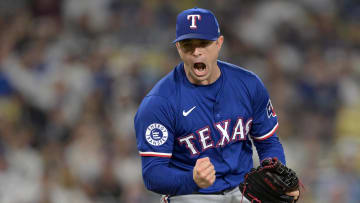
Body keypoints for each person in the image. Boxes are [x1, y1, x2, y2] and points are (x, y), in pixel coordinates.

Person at [134, 7, 300, 203]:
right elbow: (153, 174)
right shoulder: (159, 103)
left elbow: (267, 141)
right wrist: (192, 180)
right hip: (191, 195)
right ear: (178, 47)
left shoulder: (248, 84)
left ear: (219, 43)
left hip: (242, 191)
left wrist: (274, 174)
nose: (196, 52)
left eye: (203, 43)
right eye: (188, 45)